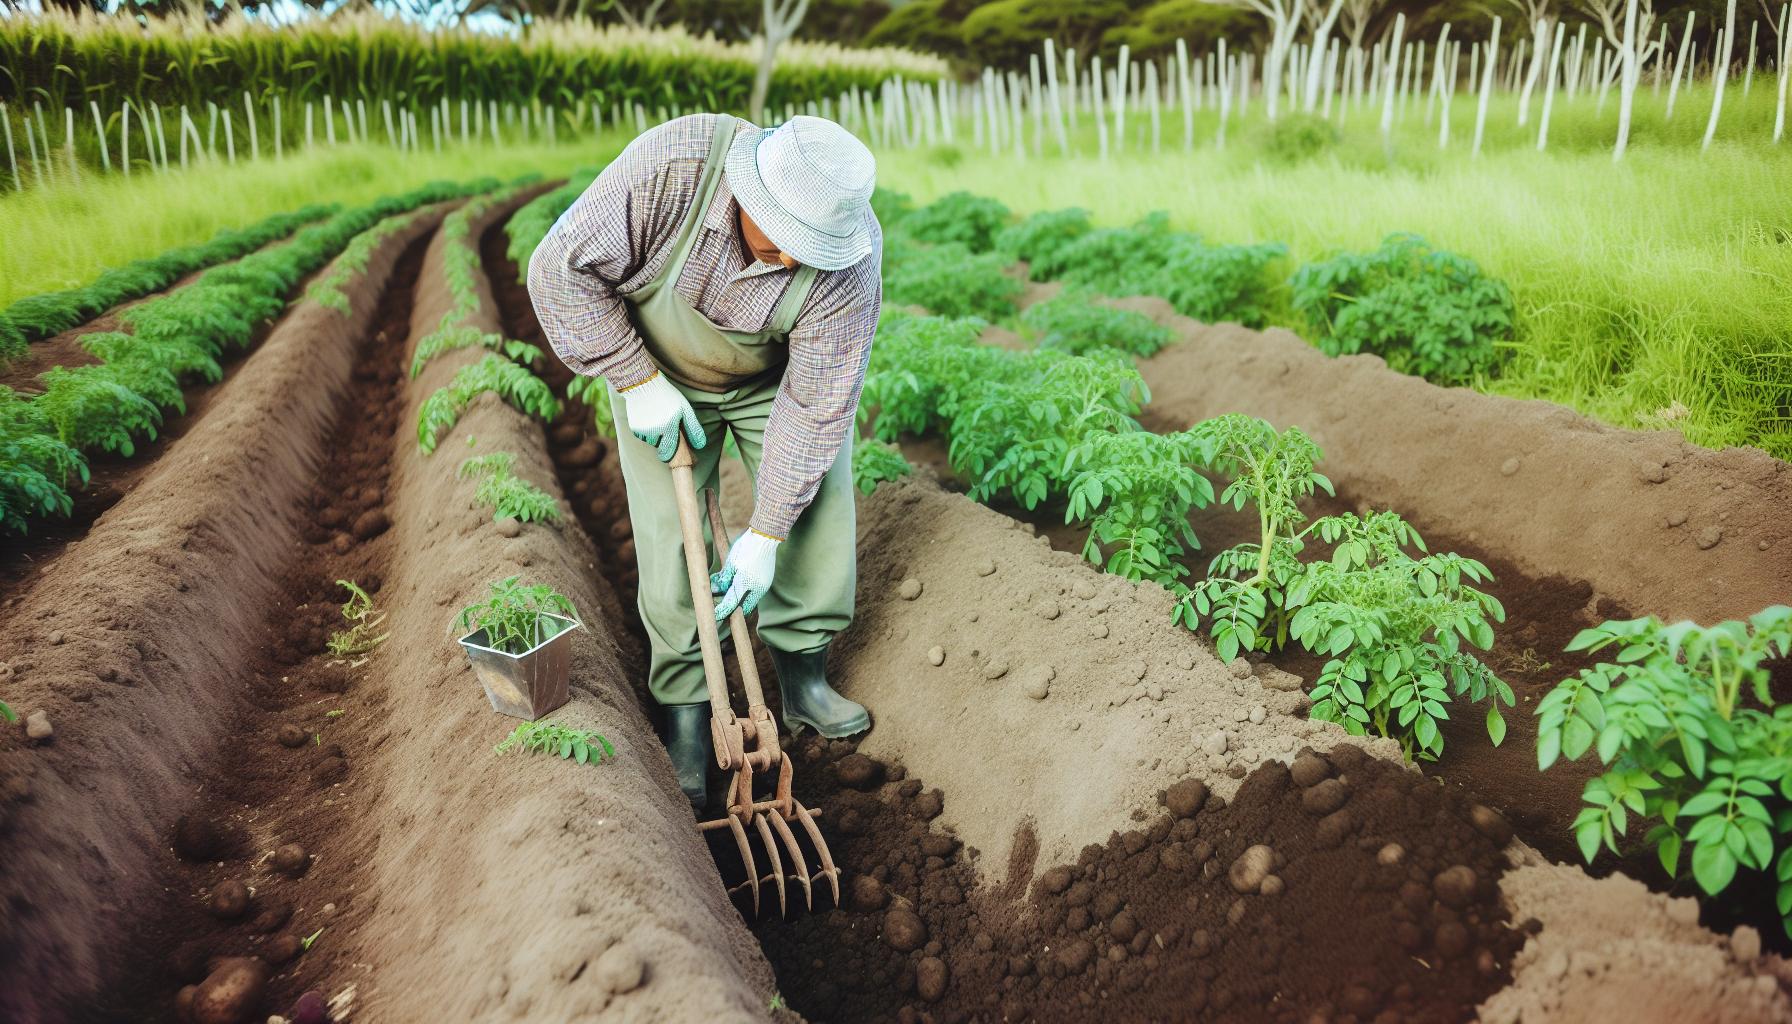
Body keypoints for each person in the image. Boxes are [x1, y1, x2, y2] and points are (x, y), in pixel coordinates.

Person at [528, 113, 880, 810]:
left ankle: (803, 678)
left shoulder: (850, 263)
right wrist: (637, 381)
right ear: (749, 196)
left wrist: (767, 534)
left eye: (814, 249)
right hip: (654, 365)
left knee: (818, 507)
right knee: (672, 537)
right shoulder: (676, 167)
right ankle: (689, 707)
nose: (793, 261)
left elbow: (815, 408)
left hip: (768, 383)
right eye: (785, 241)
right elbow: (558, 270)